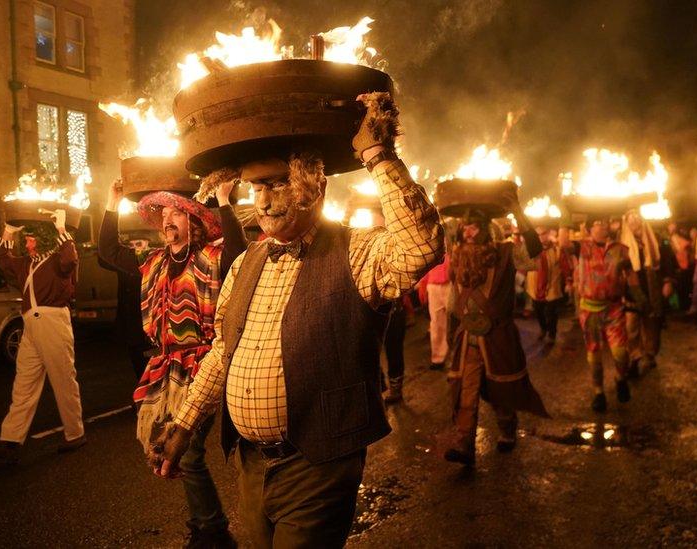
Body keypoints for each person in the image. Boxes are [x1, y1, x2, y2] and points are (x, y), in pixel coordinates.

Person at [149, 92, 444, 548]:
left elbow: (421, 247)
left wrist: (377, 154)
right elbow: (224, 352)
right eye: (255, 188)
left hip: (318, 466)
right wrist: (183, 425)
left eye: (277, 183)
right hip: (251, 466)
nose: (263, 203)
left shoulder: (358, 251)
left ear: (315, 185)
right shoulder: (249, 260)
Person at [99, 177, 246, 548]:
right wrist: (110, 202)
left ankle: (212, 528)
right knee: (168, 447)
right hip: (166, 366)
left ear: (193, 222)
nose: (167, 220)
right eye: (163, 213)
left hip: (205, 362)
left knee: (191, 449)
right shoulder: (153, 262)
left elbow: (237, 253)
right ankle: (203, 523)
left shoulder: (211, 256)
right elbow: (107, 253)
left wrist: (225, 201)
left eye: (176, 213)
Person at [443, 204, 549, 465]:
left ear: (485, 230)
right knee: (466, 391)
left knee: (499, 390)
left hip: (498, 335)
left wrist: (521, 217)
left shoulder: (507, 252)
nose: (467, 232)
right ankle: (464, 442)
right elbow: (453, 300)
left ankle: (507, 429)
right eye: (464, 227)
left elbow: (535, 252)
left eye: (473, 227)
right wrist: (451, 332)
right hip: (467, 336)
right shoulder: (457, 255)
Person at [0, 210, 84, 462]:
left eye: (29, 240)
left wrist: (61, 230)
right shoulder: (26, 264)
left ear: (43, 240)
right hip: (31, 324)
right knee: (24, 383)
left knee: (63, 379)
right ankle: (10, 440)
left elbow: (70, 260)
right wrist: (8, 230)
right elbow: (2, 260)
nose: (25, 244)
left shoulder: (57, 260)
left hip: (53, 322)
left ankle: (75, 433)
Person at [574, 214, 647, 412]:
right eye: (597, 223)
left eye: (604, 222)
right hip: (589, 311)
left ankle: (620, 378)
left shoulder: (621, 250)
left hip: (613, 308)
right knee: (594, 356)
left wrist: (640, 298)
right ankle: (598, 392)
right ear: (589, 228)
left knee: (620, 352)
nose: (602, 226)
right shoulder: (581, 247)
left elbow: (630, 275)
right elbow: (563, 243)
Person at [620, 209, 676, 376]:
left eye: (637, 218)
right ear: (626, 223)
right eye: (630, 219)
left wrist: (667, 282)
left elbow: (667, 261)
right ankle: (635, 357)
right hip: (632, 291)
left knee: (652, 326)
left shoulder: (655, 240)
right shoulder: (621, 244)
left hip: (652, 289)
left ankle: (650, 354)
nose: (634, 221)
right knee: (631, 328)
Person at [98, 234, 153, 379]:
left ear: (148, 245)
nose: (135, 248)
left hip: (149, 324)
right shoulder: (126, 263)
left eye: (139, 243)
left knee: (152, 369)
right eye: (132, 245)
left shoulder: (153, 261)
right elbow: (103, 259)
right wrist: (114, 239)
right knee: (138, 367)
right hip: (131, 325)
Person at [525, 225, 571, 344]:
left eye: (543, 234)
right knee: (538, 312)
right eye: (538, 235)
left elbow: (565, 267)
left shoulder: (557, 250)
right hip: (535, 288)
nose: (541, 237)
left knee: (552, 313)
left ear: (549, 234)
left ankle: (552, 333)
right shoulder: (530, 250)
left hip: (551, 288)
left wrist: (568, 282)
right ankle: (543, 329)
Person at [422, 255, 451, 370]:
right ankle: (438, 358)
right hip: (434, 284)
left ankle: (455, 356)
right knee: (436, 323)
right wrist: (423, 286)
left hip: (450, 282)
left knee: (454, 320)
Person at [667, 221, 693, 311]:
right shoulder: (670, 240)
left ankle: (685, 307)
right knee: (680, 288)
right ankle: (681, 307)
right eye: (670, 227)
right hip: (677, 267)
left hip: (683, 267)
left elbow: (684, 248)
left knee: (684, 288)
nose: (671, 229)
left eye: (673, 227)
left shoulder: (679, 238)